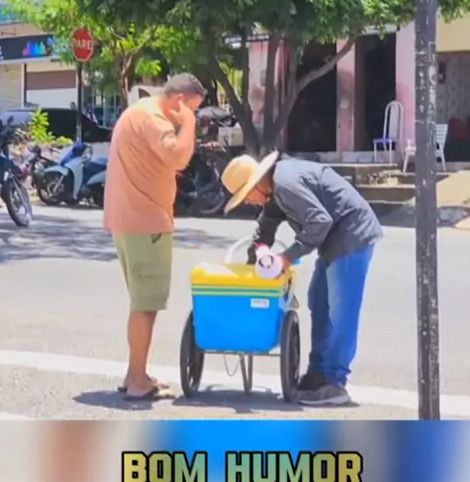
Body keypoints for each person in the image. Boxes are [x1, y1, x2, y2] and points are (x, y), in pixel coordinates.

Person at [221, 152, 383, 406]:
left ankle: (334, 381)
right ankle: (319, 372)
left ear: (257, 184)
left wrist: (286, 257)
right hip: (333, 241)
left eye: (247, 196)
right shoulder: (274, 192)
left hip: (352, 236)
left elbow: (320, 221)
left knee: (342, 311)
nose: (249, 202)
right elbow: (265, 228)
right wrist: (255, 260)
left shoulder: (286, 184)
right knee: (318, 301)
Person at [103, 73, 205, 401]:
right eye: (191, 108)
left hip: (128, 218)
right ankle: (137, 381)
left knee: (141, 301)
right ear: (179, 101)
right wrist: (189, 124)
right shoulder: (155, 119)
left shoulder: (138, 112)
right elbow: (178, 157)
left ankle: (135, 373)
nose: (190, 115)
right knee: (146, 305)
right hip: (146, 222)